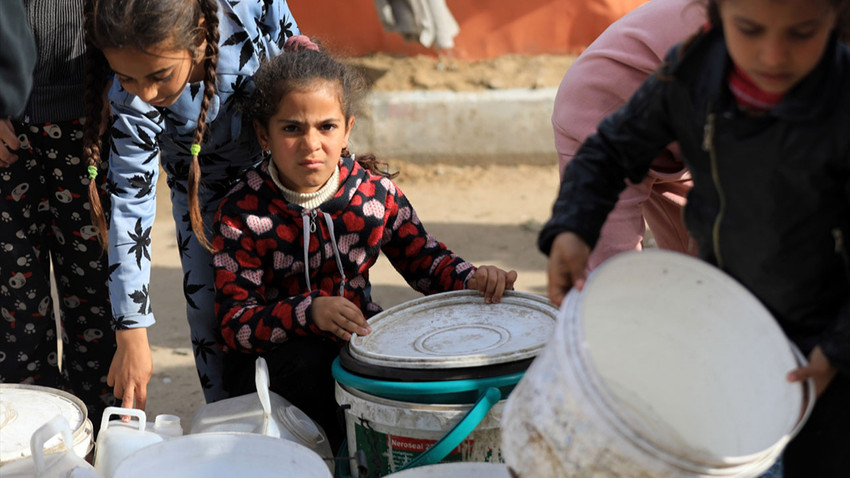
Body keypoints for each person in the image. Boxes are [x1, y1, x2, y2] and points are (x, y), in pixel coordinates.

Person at [538, 0, 850, 476]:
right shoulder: (694, 71)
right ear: (716, 15)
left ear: (834, 20)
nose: (772, 55)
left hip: (825, 327)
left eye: (802, 34)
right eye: (749, 29)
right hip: (727, 308)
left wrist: (837, 347)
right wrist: (574, 226)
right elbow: (612, 148)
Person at [211, 47, 518, 451]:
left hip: (356, 348)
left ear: (347, 129)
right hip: (273, 371)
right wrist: (309, 312)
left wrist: (474, 279)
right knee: (312, 365)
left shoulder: (374, 195)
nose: (311, 144)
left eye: (326, 127)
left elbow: (425, 262)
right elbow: (236, 325)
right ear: (263, 134)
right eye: (291, 129)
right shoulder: (241, 213)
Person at [83, 0, 308, 404]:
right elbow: (130, 206)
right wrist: (130, 330)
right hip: (201, 207)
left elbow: (304, 61)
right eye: (126, 78)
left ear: (200, 36)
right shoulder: (133, 101)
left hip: (286, 187)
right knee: (212, 318)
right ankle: (228, 432)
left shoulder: (246, 8)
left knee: (299, 306)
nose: (147, 94)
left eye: (160, 75)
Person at [1, 0, 129, 434]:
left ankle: (102, 448)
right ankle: (28, 452)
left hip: (94, 119)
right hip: (5, 132)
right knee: (14, 324)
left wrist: (123, 83)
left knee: (99, 308)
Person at [553, 0, 704, 270]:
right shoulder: (736, 22)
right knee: (613, 277)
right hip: (599, 119)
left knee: (707, 268)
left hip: (680, 133)